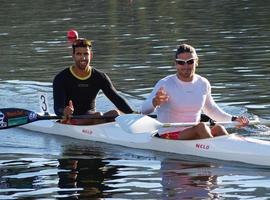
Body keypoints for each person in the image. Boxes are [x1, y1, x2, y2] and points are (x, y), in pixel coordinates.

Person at [141, 43, 249, 140]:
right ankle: (218, 151)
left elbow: (211, 110)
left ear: (196, 62)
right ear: (175, 64)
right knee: (201, 126)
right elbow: (144, 110)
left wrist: (234, 119)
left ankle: (233, 149)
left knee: (218, 128)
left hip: (196, 132)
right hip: (169, 134)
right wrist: (155, 102)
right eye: (181, 63)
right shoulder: (165, 84)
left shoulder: (203, 83)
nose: (186, 66)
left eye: (190, 62)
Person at [53, 38, 134, 124]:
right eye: (79, 54)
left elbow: (117, 99)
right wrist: (64, 112)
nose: (83, 58)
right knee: (98, 116)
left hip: (92, 116)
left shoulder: (100, 77)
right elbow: (58, 107)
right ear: (73, 55)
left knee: (115, 113)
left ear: (90, 55)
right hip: (70, 118)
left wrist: (133, 113)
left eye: (86, 54)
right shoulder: (61, 78)